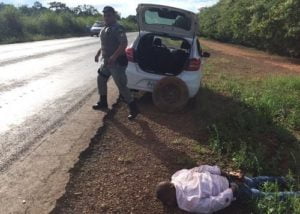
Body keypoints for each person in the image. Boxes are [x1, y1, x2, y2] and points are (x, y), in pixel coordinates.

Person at [156, 165, 300, 214]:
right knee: (259, 187)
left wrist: (228, 182)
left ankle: (291, 186)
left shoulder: (185, 195)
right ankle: (291, 187)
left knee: (260, 188)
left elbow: (212, 204)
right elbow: (212, 204)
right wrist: (229, 185)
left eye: (167, 201)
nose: (169, 204)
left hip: (230, 183)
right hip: (230, 184)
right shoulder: (181, 183)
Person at [94, 6, 139, 120]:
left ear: (114, 15)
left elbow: (123, 44)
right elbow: (105, 44)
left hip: (116, 63)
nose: (106, 17)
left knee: (121, 86)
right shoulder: (105, 28)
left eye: (109, 15)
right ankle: (103, 102)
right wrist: (98, 53)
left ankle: (134, 108)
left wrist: (114, 57)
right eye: (105, 15)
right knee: (101, 79)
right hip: (107, 62)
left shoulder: (118, 28)